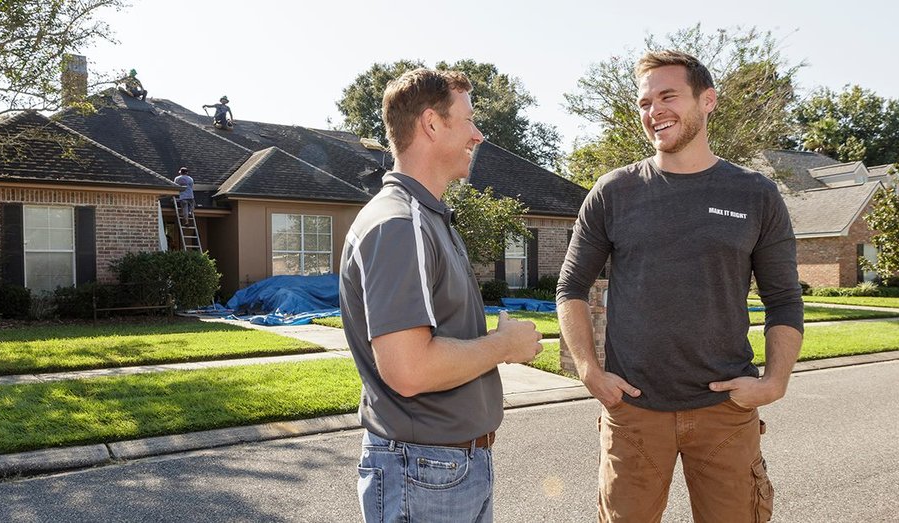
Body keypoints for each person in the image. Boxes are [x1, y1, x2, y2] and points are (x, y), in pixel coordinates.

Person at [557, 50, 804, 522]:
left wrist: (774, 382)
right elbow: (571, 286)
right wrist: (589, 371)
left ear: (707, 100)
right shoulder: (614, 191)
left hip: (724, 412)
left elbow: (784, 299)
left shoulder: (755, 194)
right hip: (633, 412)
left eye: (668, 96)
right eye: (645, 102)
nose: (654, 112)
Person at [339, 68, 543, 523]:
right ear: (432, 124)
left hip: (441, 468)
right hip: (425, 472)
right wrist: (503, 346)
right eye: (469, 120)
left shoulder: (426, 217)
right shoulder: (399, 224)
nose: (479, 134)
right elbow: (409, 370)